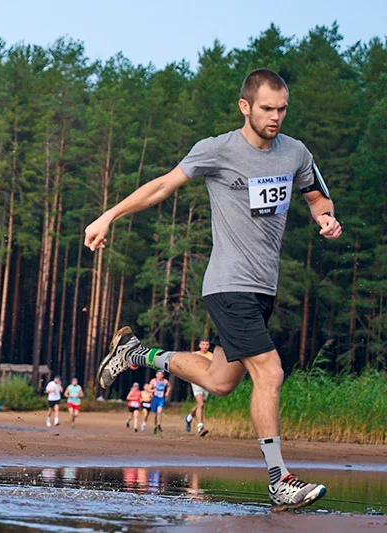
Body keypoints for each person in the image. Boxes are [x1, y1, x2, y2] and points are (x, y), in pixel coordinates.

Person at [86, 69, 341, 511]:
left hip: (263, 288)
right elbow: (163, 186)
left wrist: (325, 217)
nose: (276, 117)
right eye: (267, 108)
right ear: (245, 106)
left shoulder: (296, 153)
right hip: (228, 283)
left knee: (220, 381)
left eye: (282, 109)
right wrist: (109, 215)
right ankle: (280, 480)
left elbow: (317, 194)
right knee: (270, 372)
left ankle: (136, 354)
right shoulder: (218, 150)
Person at [185, 338, 213, 437]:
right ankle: (200, 427)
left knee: (200, 405)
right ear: (199, 345)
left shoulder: (212, 356)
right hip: (196, 381)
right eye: (203, 344)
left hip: (207, 382)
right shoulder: (194, 355)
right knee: (200, 404)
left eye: (207, 344)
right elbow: (188, 367)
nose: (205, 346)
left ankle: (188, 418)